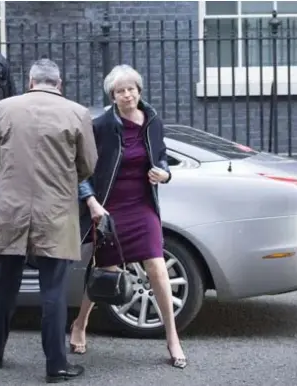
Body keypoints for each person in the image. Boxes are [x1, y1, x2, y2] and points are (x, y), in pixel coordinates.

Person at [0, 58, 98, 383]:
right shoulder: (77, 113)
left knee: (3, 286)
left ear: (31, 81)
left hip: (11, 210)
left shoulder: (6, 107)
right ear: (59, 84)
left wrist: (12, 173)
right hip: (56, 212)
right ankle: (56, 366)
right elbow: (87, 165)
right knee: (54, 291)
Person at [69, 64, 187, 369]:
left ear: (139, 90)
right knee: (105, 272)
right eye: (120, 91)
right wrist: (92, 203)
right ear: (112, 95)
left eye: (131, 88)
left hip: (142, 204)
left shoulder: (153, 121)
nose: (126, 94)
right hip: (111, 206)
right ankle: (80, 323)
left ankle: (172, 337)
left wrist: (165, 173)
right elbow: (81, 169)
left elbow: (161, 156)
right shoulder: (101, 126)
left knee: (157, 267)